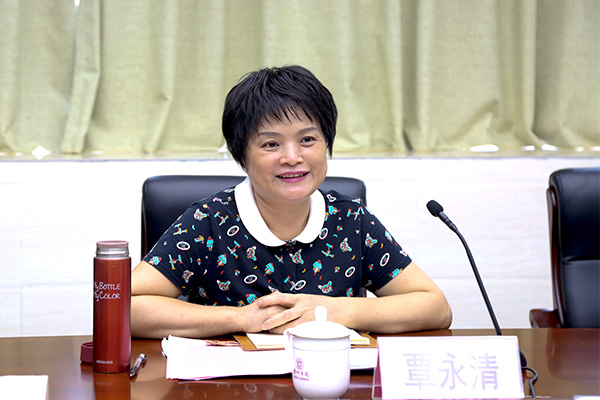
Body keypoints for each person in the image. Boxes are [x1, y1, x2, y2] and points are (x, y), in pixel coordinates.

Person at [131, 65, 452, 339]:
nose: (292, 157)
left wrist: (333, 310)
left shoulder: (351, 219)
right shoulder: (209, 221)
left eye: (307, 140)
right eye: (271, 144)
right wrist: (242, 318)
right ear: (242, 155)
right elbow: (123, 307)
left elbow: (435, 307)